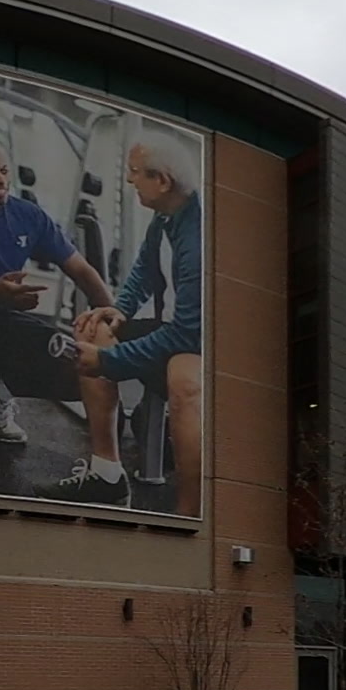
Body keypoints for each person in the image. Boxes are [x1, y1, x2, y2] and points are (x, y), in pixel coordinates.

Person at [0, 129, 124, 495]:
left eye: (3, 170)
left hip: (0, 321)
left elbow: (81, 269)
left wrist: (108, 315)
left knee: (82, 371)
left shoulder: (27, 216)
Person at [68, 140, 206, 512]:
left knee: (184, 379)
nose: (130, 181)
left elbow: (189, 333)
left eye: (134, 173)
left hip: (207, 346)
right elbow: (145, 270)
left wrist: (108, 362)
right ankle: (107, 473)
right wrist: (119, 310)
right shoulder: (165, 217)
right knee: (94, 329)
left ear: (162, 181)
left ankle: (190, 513)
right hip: (174, 331)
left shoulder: (198, 237)